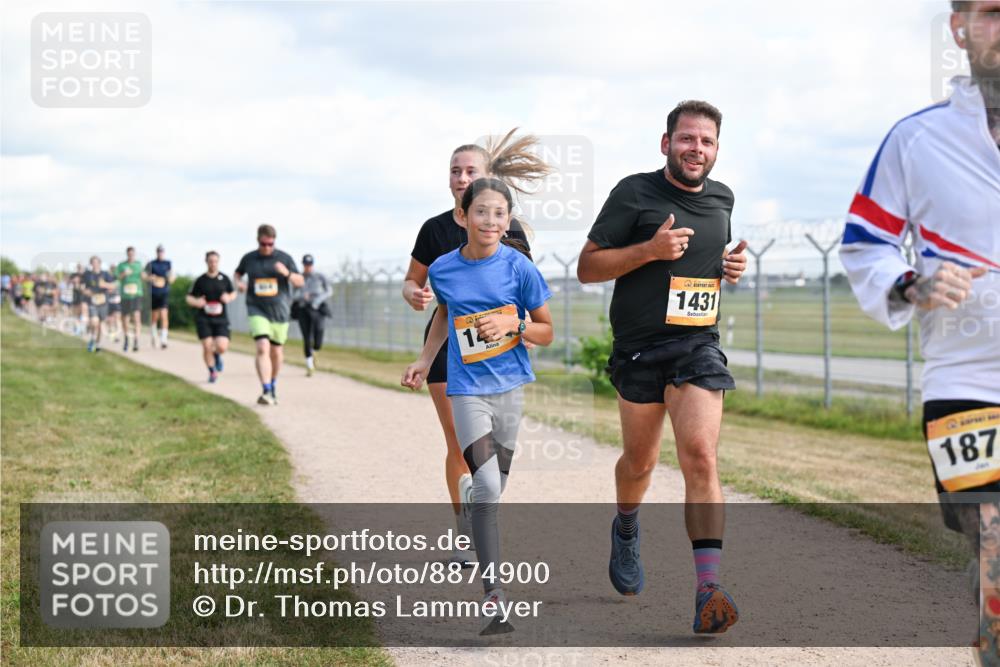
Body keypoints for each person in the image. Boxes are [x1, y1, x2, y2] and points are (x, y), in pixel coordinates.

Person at [839, 3, 999, 662]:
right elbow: (864, 244)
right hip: (964, 380)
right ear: (959, 28)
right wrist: (911, 283)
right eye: (992, 12)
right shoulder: (915, 139)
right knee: (994, 536)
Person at [577, 100, 748, 634]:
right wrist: (649, 250)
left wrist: (731, 267)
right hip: (637, 349)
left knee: (699, 454)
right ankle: (626, 526)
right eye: (687, 138)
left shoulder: (723, 198)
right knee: (640, 463)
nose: (697, 149)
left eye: (707, 141)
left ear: (717, 149)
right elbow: (587, 268)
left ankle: (708, 589)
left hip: (697, 345)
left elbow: (706, 265)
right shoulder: (634, 192)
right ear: (666, 142)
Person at [402, 177, 554, 636]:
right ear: (464, 216)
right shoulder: (445, 268)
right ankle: (495, 598)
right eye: (482, 211)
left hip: (510, 386)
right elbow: (444, 315)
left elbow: (547, 330)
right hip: (465, 388)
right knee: (487, 485)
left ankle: (472, 505)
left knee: (495, 486)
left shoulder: (520, 268)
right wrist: (425, 359)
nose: (490, 220)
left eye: (499, 214)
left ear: (508, 221)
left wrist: (515, 323)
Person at [234, 224, 304, 405]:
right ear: (258, 241)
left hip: (280, 312)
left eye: (270, 244)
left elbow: (299, 281)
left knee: (276, 352)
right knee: (262, 347)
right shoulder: (249, 259)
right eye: (264, 244)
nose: (267, 247)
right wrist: (239, 283)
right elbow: (237, 274)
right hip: (257, 308)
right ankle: (265, 390)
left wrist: (286, 273)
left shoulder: (284, 258)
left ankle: (272, 384)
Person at [187, 250, 237, 383]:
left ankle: (217, 355)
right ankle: (212, 371)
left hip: (221, 319)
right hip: (204, 318)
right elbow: (189, 297)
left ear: (218, 262)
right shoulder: (200, 280)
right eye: (211, 261)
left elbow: (233, 294)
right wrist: (197, 302)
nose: (213, 264)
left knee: (222, 347)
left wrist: (228, 297)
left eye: (215, 261)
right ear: (206, 262)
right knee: (207, 346)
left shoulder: (224, 279)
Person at [292, 254, 332, 376]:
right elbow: (292, 294)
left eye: (309, 264)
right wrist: (302, 297)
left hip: (318, 308)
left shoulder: (320, 276)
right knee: (307, 337)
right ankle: (309, 365)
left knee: (318, 334)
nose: (307, 267)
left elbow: (329, 291)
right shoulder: (298, 278)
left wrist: (317, 300)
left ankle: (315, 352)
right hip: (303, 308)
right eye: (305, 264)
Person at [81, 257, 115, 353]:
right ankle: (92, 338)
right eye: (93, 263)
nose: (95, 264)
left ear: (100, 263)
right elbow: (82, 287)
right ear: (91, 264)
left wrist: (105, 285)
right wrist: (85, 291)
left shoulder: (105, 274)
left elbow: (113, 285)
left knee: (100, 325)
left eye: (96, 262)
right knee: (94, 322)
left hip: (103, 302)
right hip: (93, 302)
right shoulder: (87, 274)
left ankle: (98, 343)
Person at [144, 244, 175, 349]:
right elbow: (143, 275)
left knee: (164, 314)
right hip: (153, 292)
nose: (160, 253)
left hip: (164, 292)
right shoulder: (151, 263)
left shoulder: (168, 263)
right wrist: (149, 278)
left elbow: (172, 275)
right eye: (158, 251)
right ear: (156, 252)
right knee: (154, 317)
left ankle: (164, 339)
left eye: (162, 251)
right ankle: (154, 335)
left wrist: (171, 278)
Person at [117, 247, 144, 352]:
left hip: (136, 294)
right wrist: (124, 274)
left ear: (135, 254)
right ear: (127, 254)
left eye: (132, 254)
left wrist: (147, 276)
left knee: (137, 317)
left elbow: (143, 276)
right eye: (129, 254)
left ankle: (136, 340)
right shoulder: (122, 265)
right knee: (125, 319)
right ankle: (127, 339)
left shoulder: (138, 265)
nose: (131, 256)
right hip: (125, 296)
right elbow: (117, 277)